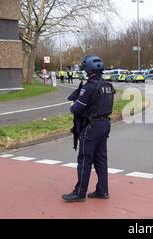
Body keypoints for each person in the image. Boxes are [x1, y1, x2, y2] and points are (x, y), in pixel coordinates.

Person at [62, 55, 115, 203]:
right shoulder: (108, 86)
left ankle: (79, 193)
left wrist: (72, 106)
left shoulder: (89, 86)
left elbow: (76, 108)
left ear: (88, 69)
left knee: (85, 159)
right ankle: (102, 190)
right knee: (101, 159)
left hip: (91, 127)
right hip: (105, 125)